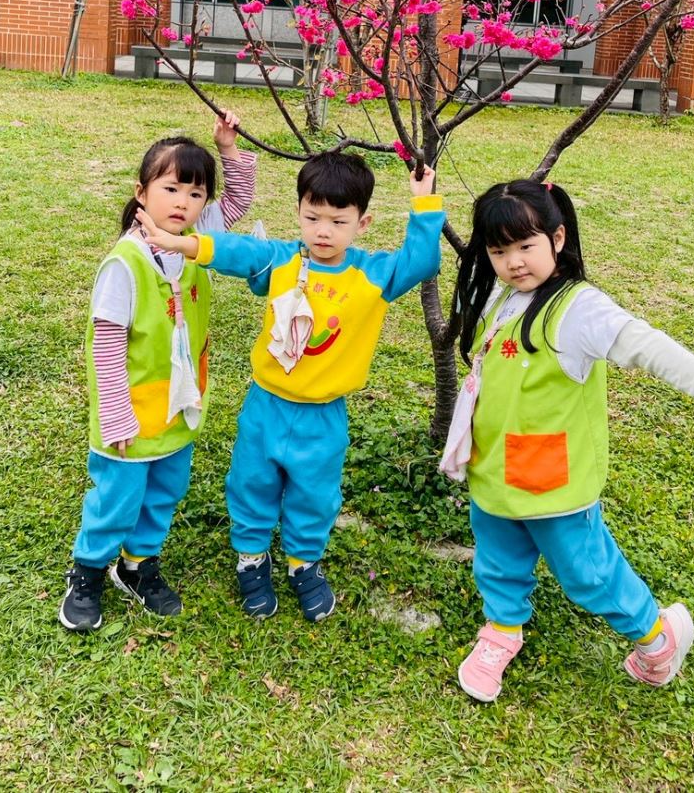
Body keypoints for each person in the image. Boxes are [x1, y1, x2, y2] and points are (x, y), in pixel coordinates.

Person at [442, 178, 694, 702]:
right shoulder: (500, 295)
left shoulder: (579, 309)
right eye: (498, 251)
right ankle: (502, 629)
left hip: (551, 480)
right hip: (493, 465)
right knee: (497, 556)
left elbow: (644, 344)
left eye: (526, 246)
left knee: (587, 572)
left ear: (558, 238)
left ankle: (659, 637)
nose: (513, 263)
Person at [137, 150, 445, 622]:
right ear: (298, 212)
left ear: (362, 224)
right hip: (266, 406)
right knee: (251, 483)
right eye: (312, 217)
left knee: (314, 493)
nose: (323, 231)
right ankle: (251, 558)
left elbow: (422, 261)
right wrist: (184, 244)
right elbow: (238, 251)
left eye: (338, 222)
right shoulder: (282, 261)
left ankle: (304, 563)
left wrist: (424, 202)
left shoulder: (373, 274)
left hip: (323, 415)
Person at [59, 113, 256, 633]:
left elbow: (238, 200)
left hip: (178, 404)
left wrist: (228, 150)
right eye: (170, 188)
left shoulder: (193, 241)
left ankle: (137, 564)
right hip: (128, 413)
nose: (183, 202)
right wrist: (116, 413)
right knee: (117, 498)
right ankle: (87, 572)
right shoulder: (125, 263)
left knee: (165, 490)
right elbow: (105, 345)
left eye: (195, 193)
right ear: (141, 193)